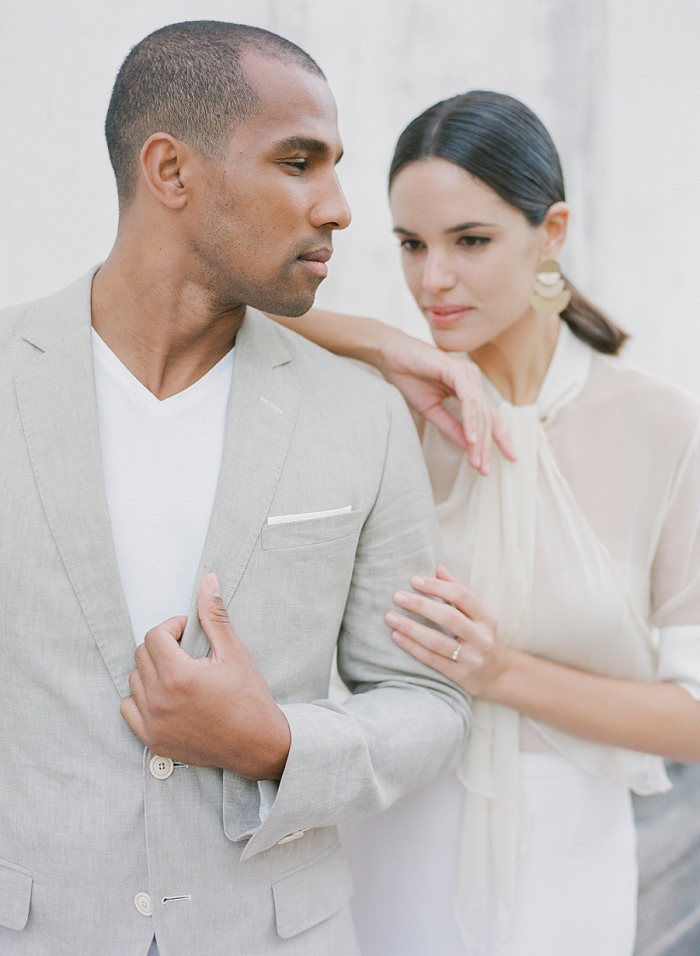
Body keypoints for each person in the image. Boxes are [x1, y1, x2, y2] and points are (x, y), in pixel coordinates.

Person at [0, 22, 474, 956]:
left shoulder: (362, 415)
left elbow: (430, 702)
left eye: (335, 168)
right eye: (298, 162)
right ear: (170, 171)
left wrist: (277, 744)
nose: (339, 209)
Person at [270, 91, 700, 956]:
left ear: (552, 233)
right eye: (411, 244)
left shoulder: (661, 427)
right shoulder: (383, 407)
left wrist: (498, 671)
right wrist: (382, 343)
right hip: (393, 837)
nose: (433, 280)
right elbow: (211, 309)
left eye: (470, 241)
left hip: (571, 863)